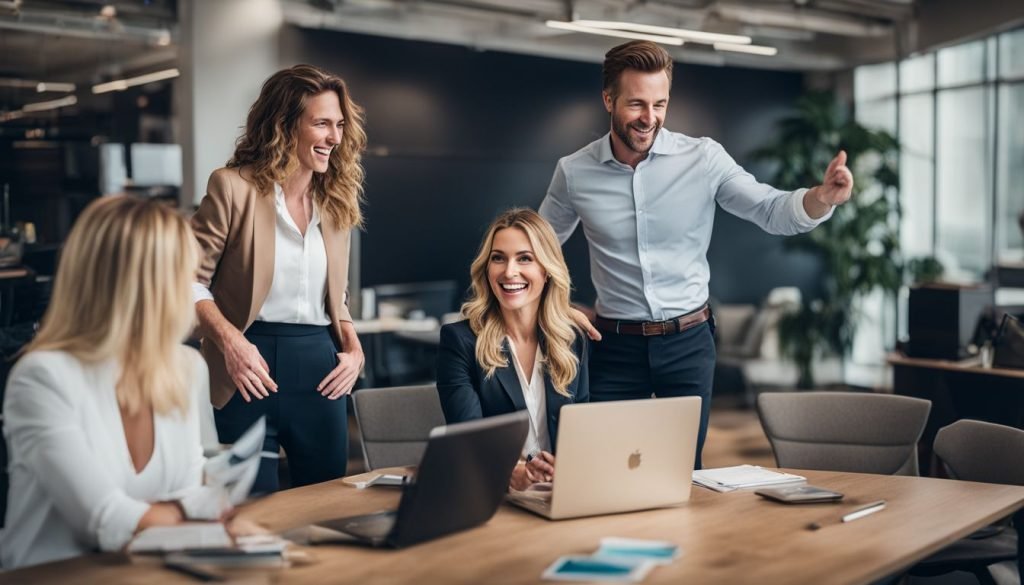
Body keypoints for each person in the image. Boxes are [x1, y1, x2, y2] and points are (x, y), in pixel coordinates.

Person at [539, 41, 854, 469]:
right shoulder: (574, 172)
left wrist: (822, 198)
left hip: (688, 343)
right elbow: (538, 250)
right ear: (608, 99)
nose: (649, 118)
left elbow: (768, 208)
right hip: (614, 346)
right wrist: (555, 308)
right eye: (636, 104)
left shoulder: (703, 158)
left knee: (680, 471)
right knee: (605, 467)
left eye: (660, 104)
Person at [2, 197, 218, 569]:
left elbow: (199, 493)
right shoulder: (43, 377)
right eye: (185, 276)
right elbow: (103, 520)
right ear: (145, 289)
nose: (195, 291)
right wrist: (195, 515)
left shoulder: (185, 368)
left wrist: (188, 512)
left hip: (147, 572)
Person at [191, 64, 366, 493]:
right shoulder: (231, 188)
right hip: (246, 369)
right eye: (322, 123)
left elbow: (335, 296)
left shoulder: (336, 200)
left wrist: (354, 348)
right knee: (247, 511)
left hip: (321, 369)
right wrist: (229, 342)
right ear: (284, 125)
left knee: (323, 508)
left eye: (339, 125)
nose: (335, 138)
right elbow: (187, 280)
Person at [436, 208, 589, 491]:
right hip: (492, 491)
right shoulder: (460, 341)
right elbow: (467, 436)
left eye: (525, 259)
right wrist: (513, 472)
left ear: (547, 271)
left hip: (562, 490)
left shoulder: (570, 340)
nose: (509, 272)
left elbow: (583, 431)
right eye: (498, 258)